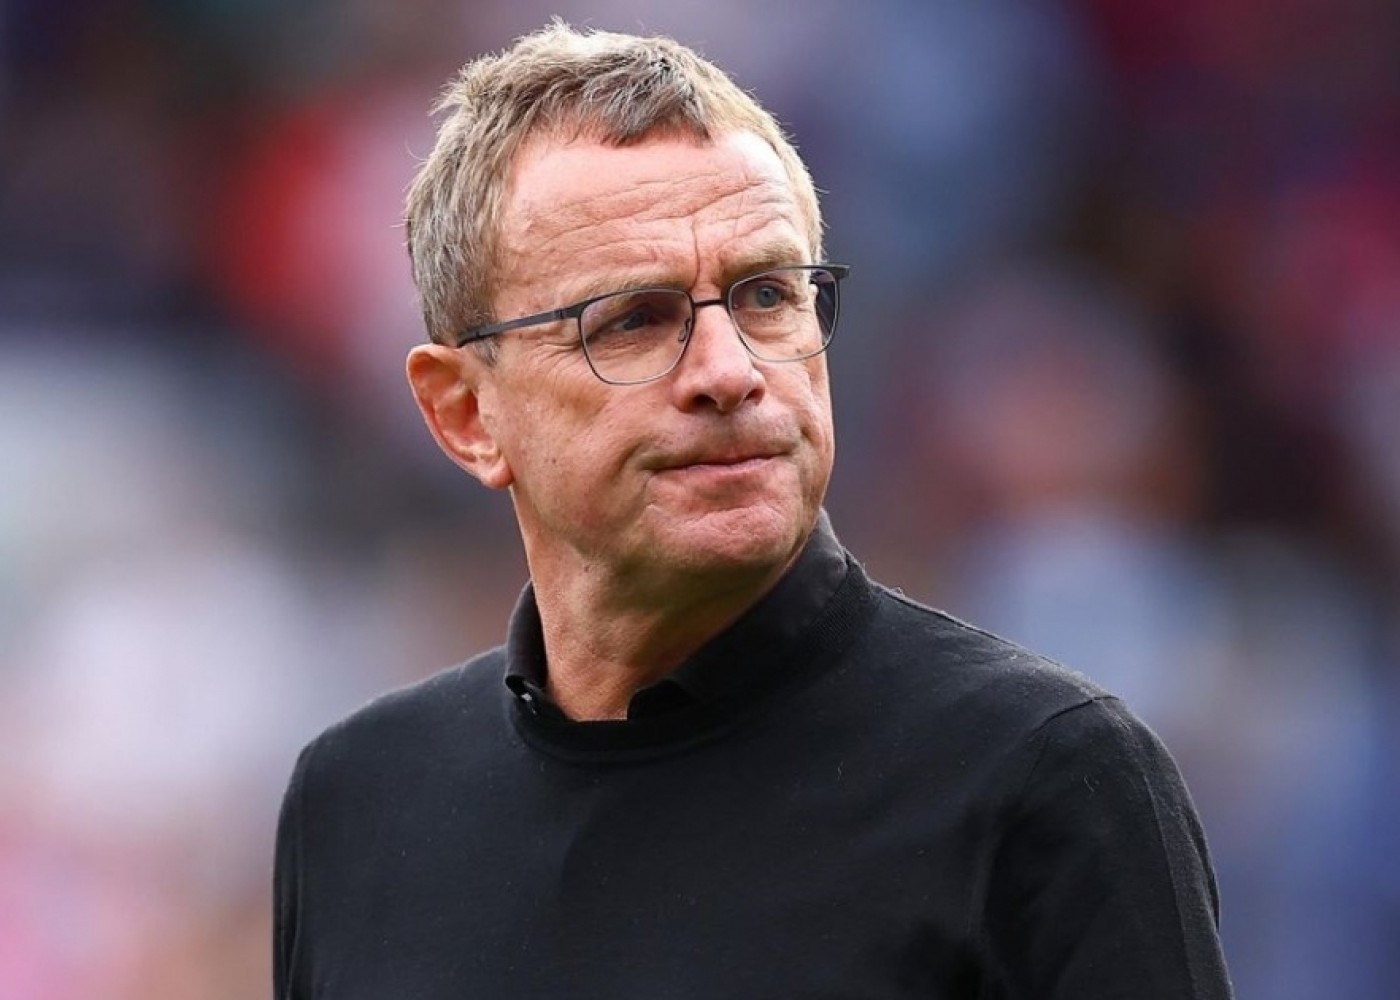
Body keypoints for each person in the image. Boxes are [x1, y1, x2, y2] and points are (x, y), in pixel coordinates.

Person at [273, 23, 1233, 999]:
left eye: (768, 295)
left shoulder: (1045, 779)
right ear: (466, 414)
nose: (730, 372)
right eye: (633, 319)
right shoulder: (355, 805)